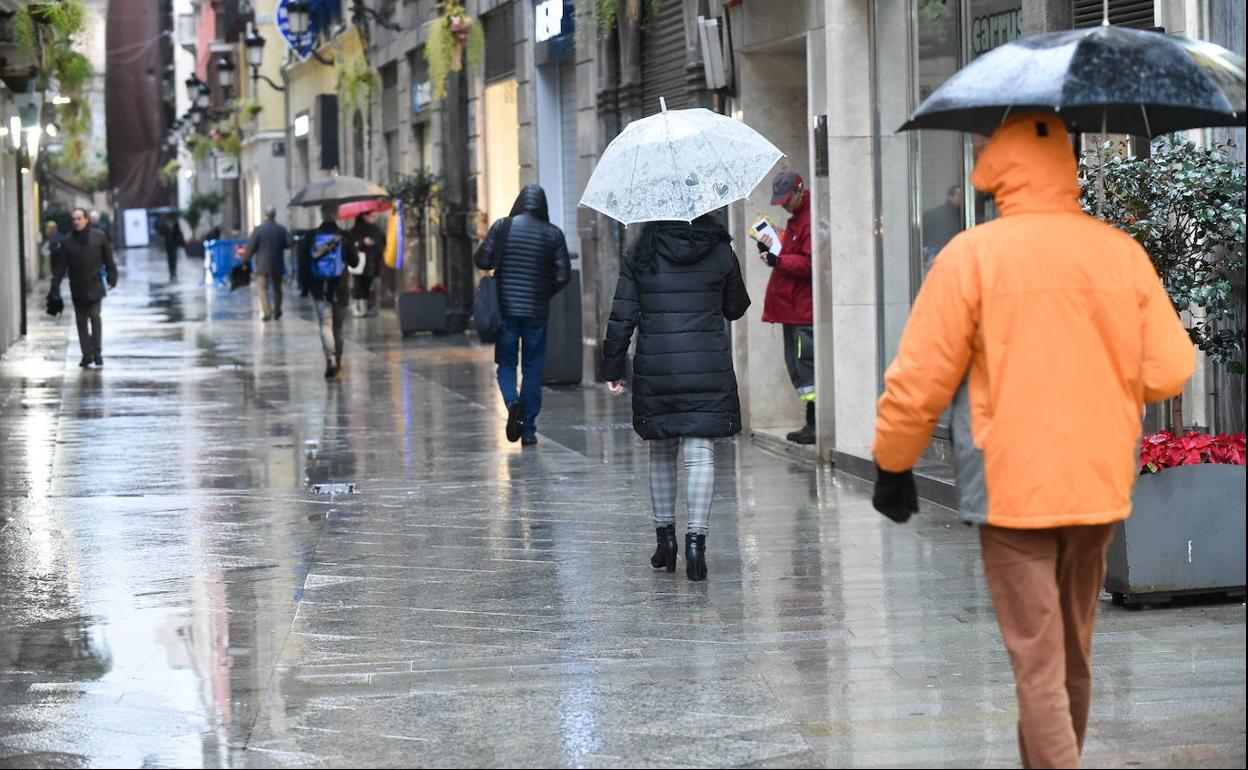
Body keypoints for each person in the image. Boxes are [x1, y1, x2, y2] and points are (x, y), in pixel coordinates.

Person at [870, 113, 1194, 769]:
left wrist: (893, 462)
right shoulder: (1119, 252)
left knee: (1035, 656)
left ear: (998, 172)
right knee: (1071, 648)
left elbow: (921, 376)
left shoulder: (971, 256)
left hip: (1011, 482)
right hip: (1099, 478)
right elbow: (1169, 371)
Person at [602, 214, 750, 582]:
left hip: (659, 365)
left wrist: (613, 366)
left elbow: (622, 314)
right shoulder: (720, 251)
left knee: (662, 451)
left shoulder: (642, 253)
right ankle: (697, 545)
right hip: (707, 362)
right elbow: (736, 307)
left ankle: (666, 543)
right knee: (700, 455)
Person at [473, 184, 571, 446]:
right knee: (533, 369)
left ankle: (512, 401)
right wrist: (542, 292)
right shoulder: (553, 234)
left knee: (506, 364)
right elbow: (563, 275)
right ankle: (528, 429)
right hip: (537, 312)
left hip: (505, 311)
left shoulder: (503, 226)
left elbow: (481, 260)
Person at [757, 170, 815, 445]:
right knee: (797, 367)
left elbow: (811, 263)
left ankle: (815, 424)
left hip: (804, 310)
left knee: (806, 367)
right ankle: (811, 422)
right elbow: (794, 255)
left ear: (799, 190)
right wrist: (773, 249)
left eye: (785, 199)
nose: (783, 205)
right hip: (792, 309)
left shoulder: (810, 219)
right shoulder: (796, 221)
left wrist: (778, 261)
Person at [50, 208, 119, 368]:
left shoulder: (99, 237)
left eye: (79, 218)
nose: (76, 221)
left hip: (95, 285)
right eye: (74, 219)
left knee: (95, 318)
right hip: (77, 287)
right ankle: (87, 354)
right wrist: (55, 286)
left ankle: (98, 352)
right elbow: (61, 267)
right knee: (81, 322)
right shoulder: (67, 242)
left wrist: (112, 276)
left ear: (86, 219)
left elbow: (109, 259)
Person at [308, 204, 359, 378]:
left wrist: (306, 286)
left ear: (321, 214)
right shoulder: (345, 236)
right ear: (337, 214)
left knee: (325, 323)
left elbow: (304, 264)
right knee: (338, 326)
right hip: (341, 287)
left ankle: (330, 359)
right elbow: (355, 262)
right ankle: (338, 359)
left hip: (319, 287)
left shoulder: (312, 236)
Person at [247, 208, 290, 321]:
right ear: (274, 215)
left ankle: (267, 313)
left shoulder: (258, 230)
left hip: (262, 264)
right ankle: (277, 311)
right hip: (277, 263)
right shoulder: (281, 229)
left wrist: (245, 260)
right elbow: (289, 243)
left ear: (265, 215)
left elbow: (251, 247)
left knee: (262, 289)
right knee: (277, 288)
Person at [349, 210, 386, 317]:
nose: (374, 216)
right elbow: (351, 244)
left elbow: (382, 243)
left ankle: (369, 307)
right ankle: (359, 307)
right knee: (359, 285)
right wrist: (362, 242)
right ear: (364, 216)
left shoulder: (376, 229)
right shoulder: (356, 230)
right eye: (371, 215)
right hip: (360, 263)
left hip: (374, 263)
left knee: (369, 285)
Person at [160, 214, 186, 281]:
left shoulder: (175, 224)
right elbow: (162, 233)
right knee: (170, 257)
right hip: (168, 243)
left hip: (174, 243)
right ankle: (171, 270)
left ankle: (174, 270)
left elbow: (178, 232)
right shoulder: (164, 225)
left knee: (174, 256)